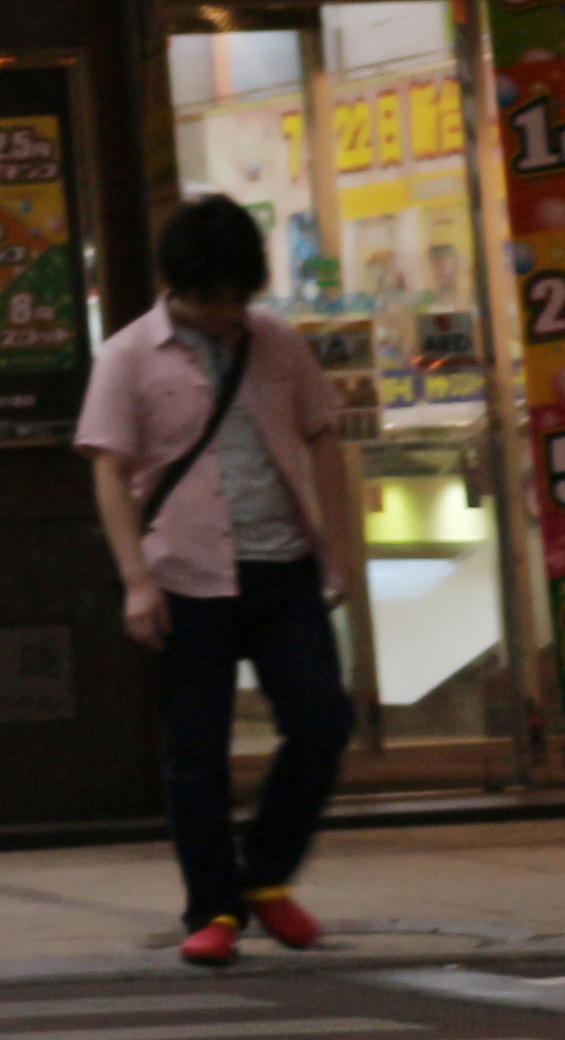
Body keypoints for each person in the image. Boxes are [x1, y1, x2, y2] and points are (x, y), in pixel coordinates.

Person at [80, 194, 360, 970]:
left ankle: (265, 874)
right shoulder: (129, 355)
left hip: (282, 567)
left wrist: (340, 553)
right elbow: (109, 471)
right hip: (185, 577)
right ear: (181, 285)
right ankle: (213, 910)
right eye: (215, 298)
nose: (229, 313)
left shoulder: (277, 344)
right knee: (194, 750)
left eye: (241, 296)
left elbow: (324, 438)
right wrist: (135, 580)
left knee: (322, 719)